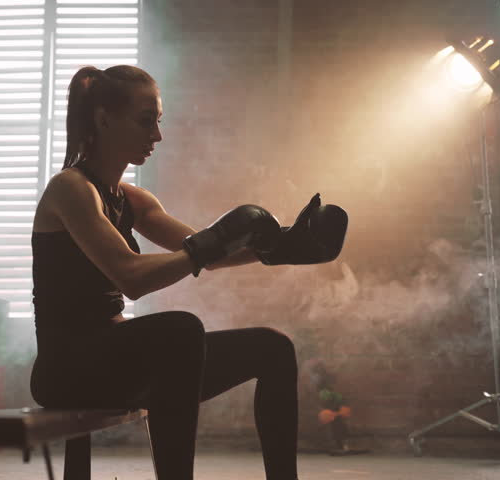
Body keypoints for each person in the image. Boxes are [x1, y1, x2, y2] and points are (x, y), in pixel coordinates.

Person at [30, 64, 347, 480]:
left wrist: (278, 247)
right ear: (104, 118)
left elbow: (208, 254)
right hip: (67, 367)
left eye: (158, 122)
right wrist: (208, 245)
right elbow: (133, 276)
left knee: (273, 349)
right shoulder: (71, 189)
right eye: (146, 121)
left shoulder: (132, 199)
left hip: (113, 358)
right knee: (179, 331)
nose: (156, 135)